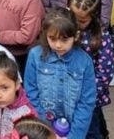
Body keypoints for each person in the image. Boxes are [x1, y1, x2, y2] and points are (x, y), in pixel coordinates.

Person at [24, 8, 96, 138]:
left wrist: (75, 135)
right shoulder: (35, 55)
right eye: (52, 38)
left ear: (76, 36)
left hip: (73, 129)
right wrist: (44, 127)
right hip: (42, 127)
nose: (58, 45)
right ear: (46, 35)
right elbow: (31, 93)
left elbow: (86, 102)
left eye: (64, 40)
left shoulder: (85, 62)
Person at [69, 0, 114, 138]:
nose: (76, 23)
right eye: (72, 16)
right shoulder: (64, 30)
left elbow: (104, 73)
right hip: (67, 93)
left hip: (89, 97)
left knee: (91, 128)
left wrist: (84, 94)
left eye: (81, 21)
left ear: (94, 17)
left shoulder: (102, 37)